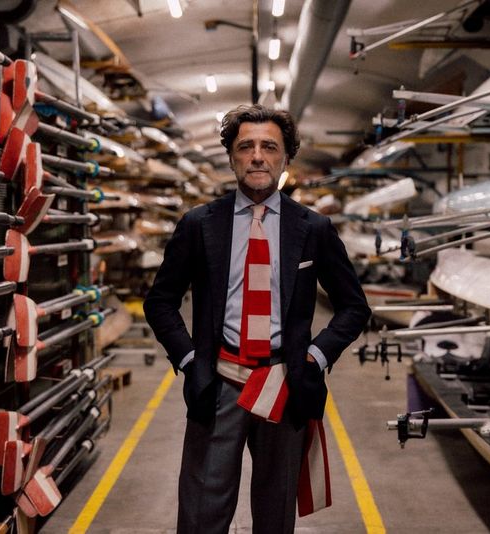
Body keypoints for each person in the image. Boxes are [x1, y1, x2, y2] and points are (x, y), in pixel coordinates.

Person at [143, 104, 370, 533]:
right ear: (231, 157)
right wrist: (191, 361)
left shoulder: (314, 229)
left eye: (270, 147)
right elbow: (160, 301)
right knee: (200, 514)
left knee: (275, 513)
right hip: (219, 382)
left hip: (283, 384)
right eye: (246, 147)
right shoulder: (199, 225)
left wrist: (316, 357)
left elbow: (354, 306)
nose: (258, 156)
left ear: (286, 158)